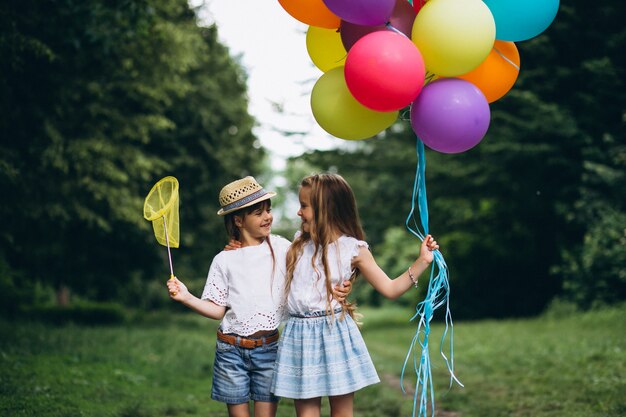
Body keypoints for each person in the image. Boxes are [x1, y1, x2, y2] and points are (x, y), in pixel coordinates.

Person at [166, 176, 350, 417]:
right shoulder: (224, 260)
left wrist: (346, 280)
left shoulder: (284, 248)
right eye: (258, 213)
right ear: (239, 220)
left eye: (268, 210)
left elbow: (319, 261)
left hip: (269, 349)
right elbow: (217, 309)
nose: (267, 217)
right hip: (230, 351)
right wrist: (187, 297)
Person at [270, 172, 439, 417]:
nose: (298, 212)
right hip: (299, 335)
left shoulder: (353, 249)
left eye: (304, 206)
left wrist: (422, 261)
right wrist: (239, 243)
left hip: (334, 332)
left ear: (325, 209)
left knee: (342, 411)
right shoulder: (298, 243)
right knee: (306, 412)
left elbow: (390, 288)